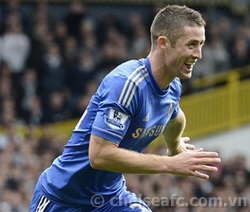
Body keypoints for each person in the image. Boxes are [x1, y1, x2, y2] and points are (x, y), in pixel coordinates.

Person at [30, 5, 221, 212]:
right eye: (192, 45)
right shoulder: (127, 84)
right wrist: (170, 164)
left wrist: (175, 146)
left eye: (201, 44)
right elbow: (100, 155)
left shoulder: (172, 86)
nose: (199, 54)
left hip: (110, 199)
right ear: (163, 43)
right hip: (63, 199)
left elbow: (175, 117)